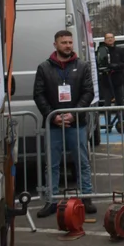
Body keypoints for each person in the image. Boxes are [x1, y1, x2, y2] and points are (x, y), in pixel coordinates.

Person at [34, 30, 97, 217]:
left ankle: (86, 197)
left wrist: (74, 114)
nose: (68, 45)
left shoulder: (83, 66)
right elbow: (38, 94)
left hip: (76, 123)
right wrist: (52, 116)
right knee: (52, 164)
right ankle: (52, 200)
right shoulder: (44, 68)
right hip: (54, 124)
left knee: (82, 162)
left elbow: (88, 92)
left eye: (70, 42)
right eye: (64, 42)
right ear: (55, 44)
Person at [96, 33, 124, 133]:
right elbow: (98, 64)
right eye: (107, 38)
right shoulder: (101, 51)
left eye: (111, 38)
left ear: (114, 39)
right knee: (107, 104)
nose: (110, 39)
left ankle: (122, 124)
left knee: (120, 103)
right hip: (106, 81)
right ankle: (108, 125)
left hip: (118, 80)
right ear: (104, 40)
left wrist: (116, 66)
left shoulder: (119, 50)